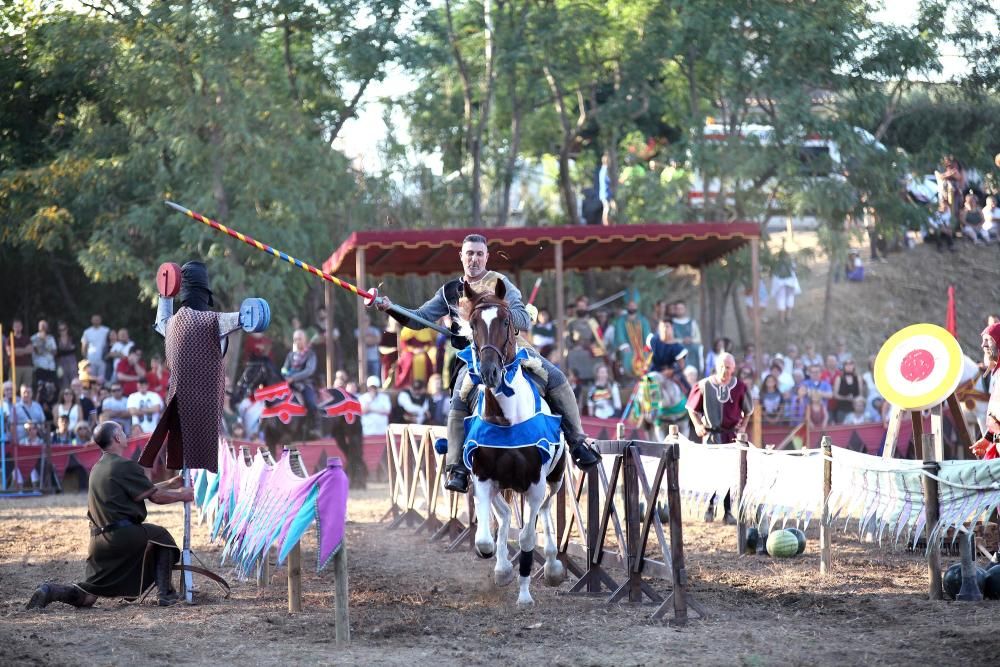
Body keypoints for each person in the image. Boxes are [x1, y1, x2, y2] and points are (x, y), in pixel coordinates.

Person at [375, 233, 599, 493]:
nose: (474, 259)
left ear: (486, 257)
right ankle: (456, 467)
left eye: (479, 254)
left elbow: (523, 318)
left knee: (556, 377)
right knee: (459, 398)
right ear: (461, 256)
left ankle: (577, 442)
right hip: (471, 356)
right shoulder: (449, 291)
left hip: (510, 351)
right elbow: (419, 319)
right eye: (469, 253)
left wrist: (496, 315)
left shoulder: (500, 283)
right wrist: (390, 307)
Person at [26, 421, 191, 609]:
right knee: (162, 537)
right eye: (121, 430)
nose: (125, 433)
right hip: (121, 538)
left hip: (98, 543)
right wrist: (183, 495)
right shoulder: (124, 465)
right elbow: (156, 497)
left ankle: (50, 591)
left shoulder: (98, 468)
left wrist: (170, 484)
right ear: (117, 438)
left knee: (87, 597)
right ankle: (166, 595)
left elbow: (143, 490)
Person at [139, 261, 264, 474]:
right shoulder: (215, 321)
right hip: (207, 408)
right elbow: (245, 318)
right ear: (206, 291)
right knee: (212, 462)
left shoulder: (169, 325)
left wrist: (166, 295)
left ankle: (188, 492)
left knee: (186, 462)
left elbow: (162, 316)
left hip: (177, 403)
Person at [685, 353, 752, 524]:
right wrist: (698, 425)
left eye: (728, 367)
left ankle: (728, 512)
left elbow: (749, 410)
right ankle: (709, 509)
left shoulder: (740, 387)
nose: (725, 370)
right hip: (711, 435)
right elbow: (692, 409)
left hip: (730, 435)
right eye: (722, 366)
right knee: (711, 473)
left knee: (730, 474)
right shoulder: (705, 385)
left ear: (733, 368)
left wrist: (743, 426)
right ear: (717, 366)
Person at [281, 329, 321, 435]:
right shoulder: (290, 355)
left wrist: (293, 378)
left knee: (310, 402)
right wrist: (285, 374)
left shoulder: (311, 354)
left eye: (299, 339)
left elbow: (309, 370)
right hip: (289, 383)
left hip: (305, 383)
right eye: (295, 339)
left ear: (305, 340)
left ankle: (316, 426)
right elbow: (284, 368)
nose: (297, 341)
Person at [770, 243, 800, 324]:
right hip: (790, 283)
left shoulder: (776, 264)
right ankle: (788, 316)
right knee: (790, 298)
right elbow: (795, 270)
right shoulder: (790, 262)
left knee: (781, 300)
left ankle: (782, 319)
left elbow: (772, 274)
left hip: (779, 284)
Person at [671, 300, 703, 374]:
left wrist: (691, 340)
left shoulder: (692, 322)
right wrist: (682, 340)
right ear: (675, 310)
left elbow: (698, 338)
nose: (679, 311)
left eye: (681, 308)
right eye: (677, 309)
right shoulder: (671, 323)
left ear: (685, 309)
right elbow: (670, 339)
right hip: (678, 350)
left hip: (692, 351)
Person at [31, 319, 59, 395]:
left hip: (51, 367)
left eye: (45, 325)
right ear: (38, 327)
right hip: (40, 367)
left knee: (53, 387)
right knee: (41, 387)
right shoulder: (34, 338)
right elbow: (38, 351)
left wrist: (45, 348)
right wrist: (46, 345)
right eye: (41, 325)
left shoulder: (51, 338)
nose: (43, 327)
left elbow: (55, 352)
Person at [80, 314, 110, 384]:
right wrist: (86, 359)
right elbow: (84, 345)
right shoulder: (87, 332)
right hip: (91, 360)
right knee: (91, 380)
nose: (96, 321)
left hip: (103, 359)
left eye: (97, 319)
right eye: (94, 319)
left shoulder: (106, 330)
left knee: (102, 380)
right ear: (91, 320)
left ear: (101, 320)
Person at [10, 318, 35, 392]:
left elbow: (30, 350)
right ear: (13, 327)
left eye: (19, 326)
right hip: (15, 366)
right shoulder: (10, 339)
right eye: (16, 326)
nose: (17, 328)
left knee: (27, 388)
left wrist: (17, 350)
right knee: (13, 388)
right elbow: (10, 352)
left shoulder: (27, 338)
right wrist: (25, 350)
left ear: (21, 327)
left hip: (27, 366)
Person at [55, 320, 78, 389]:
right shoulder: (56, 340)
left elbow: (75, 350)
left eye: (64, 329)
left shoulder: (72, 338)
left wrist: (63, 352)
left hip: (72, 363)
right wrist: (68, 350)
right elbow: (57, 353)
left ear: (67, 329)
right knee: (63, 382)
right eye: (60, 330)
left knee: (74, 382)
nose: (62, 331)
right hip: (61, 364)